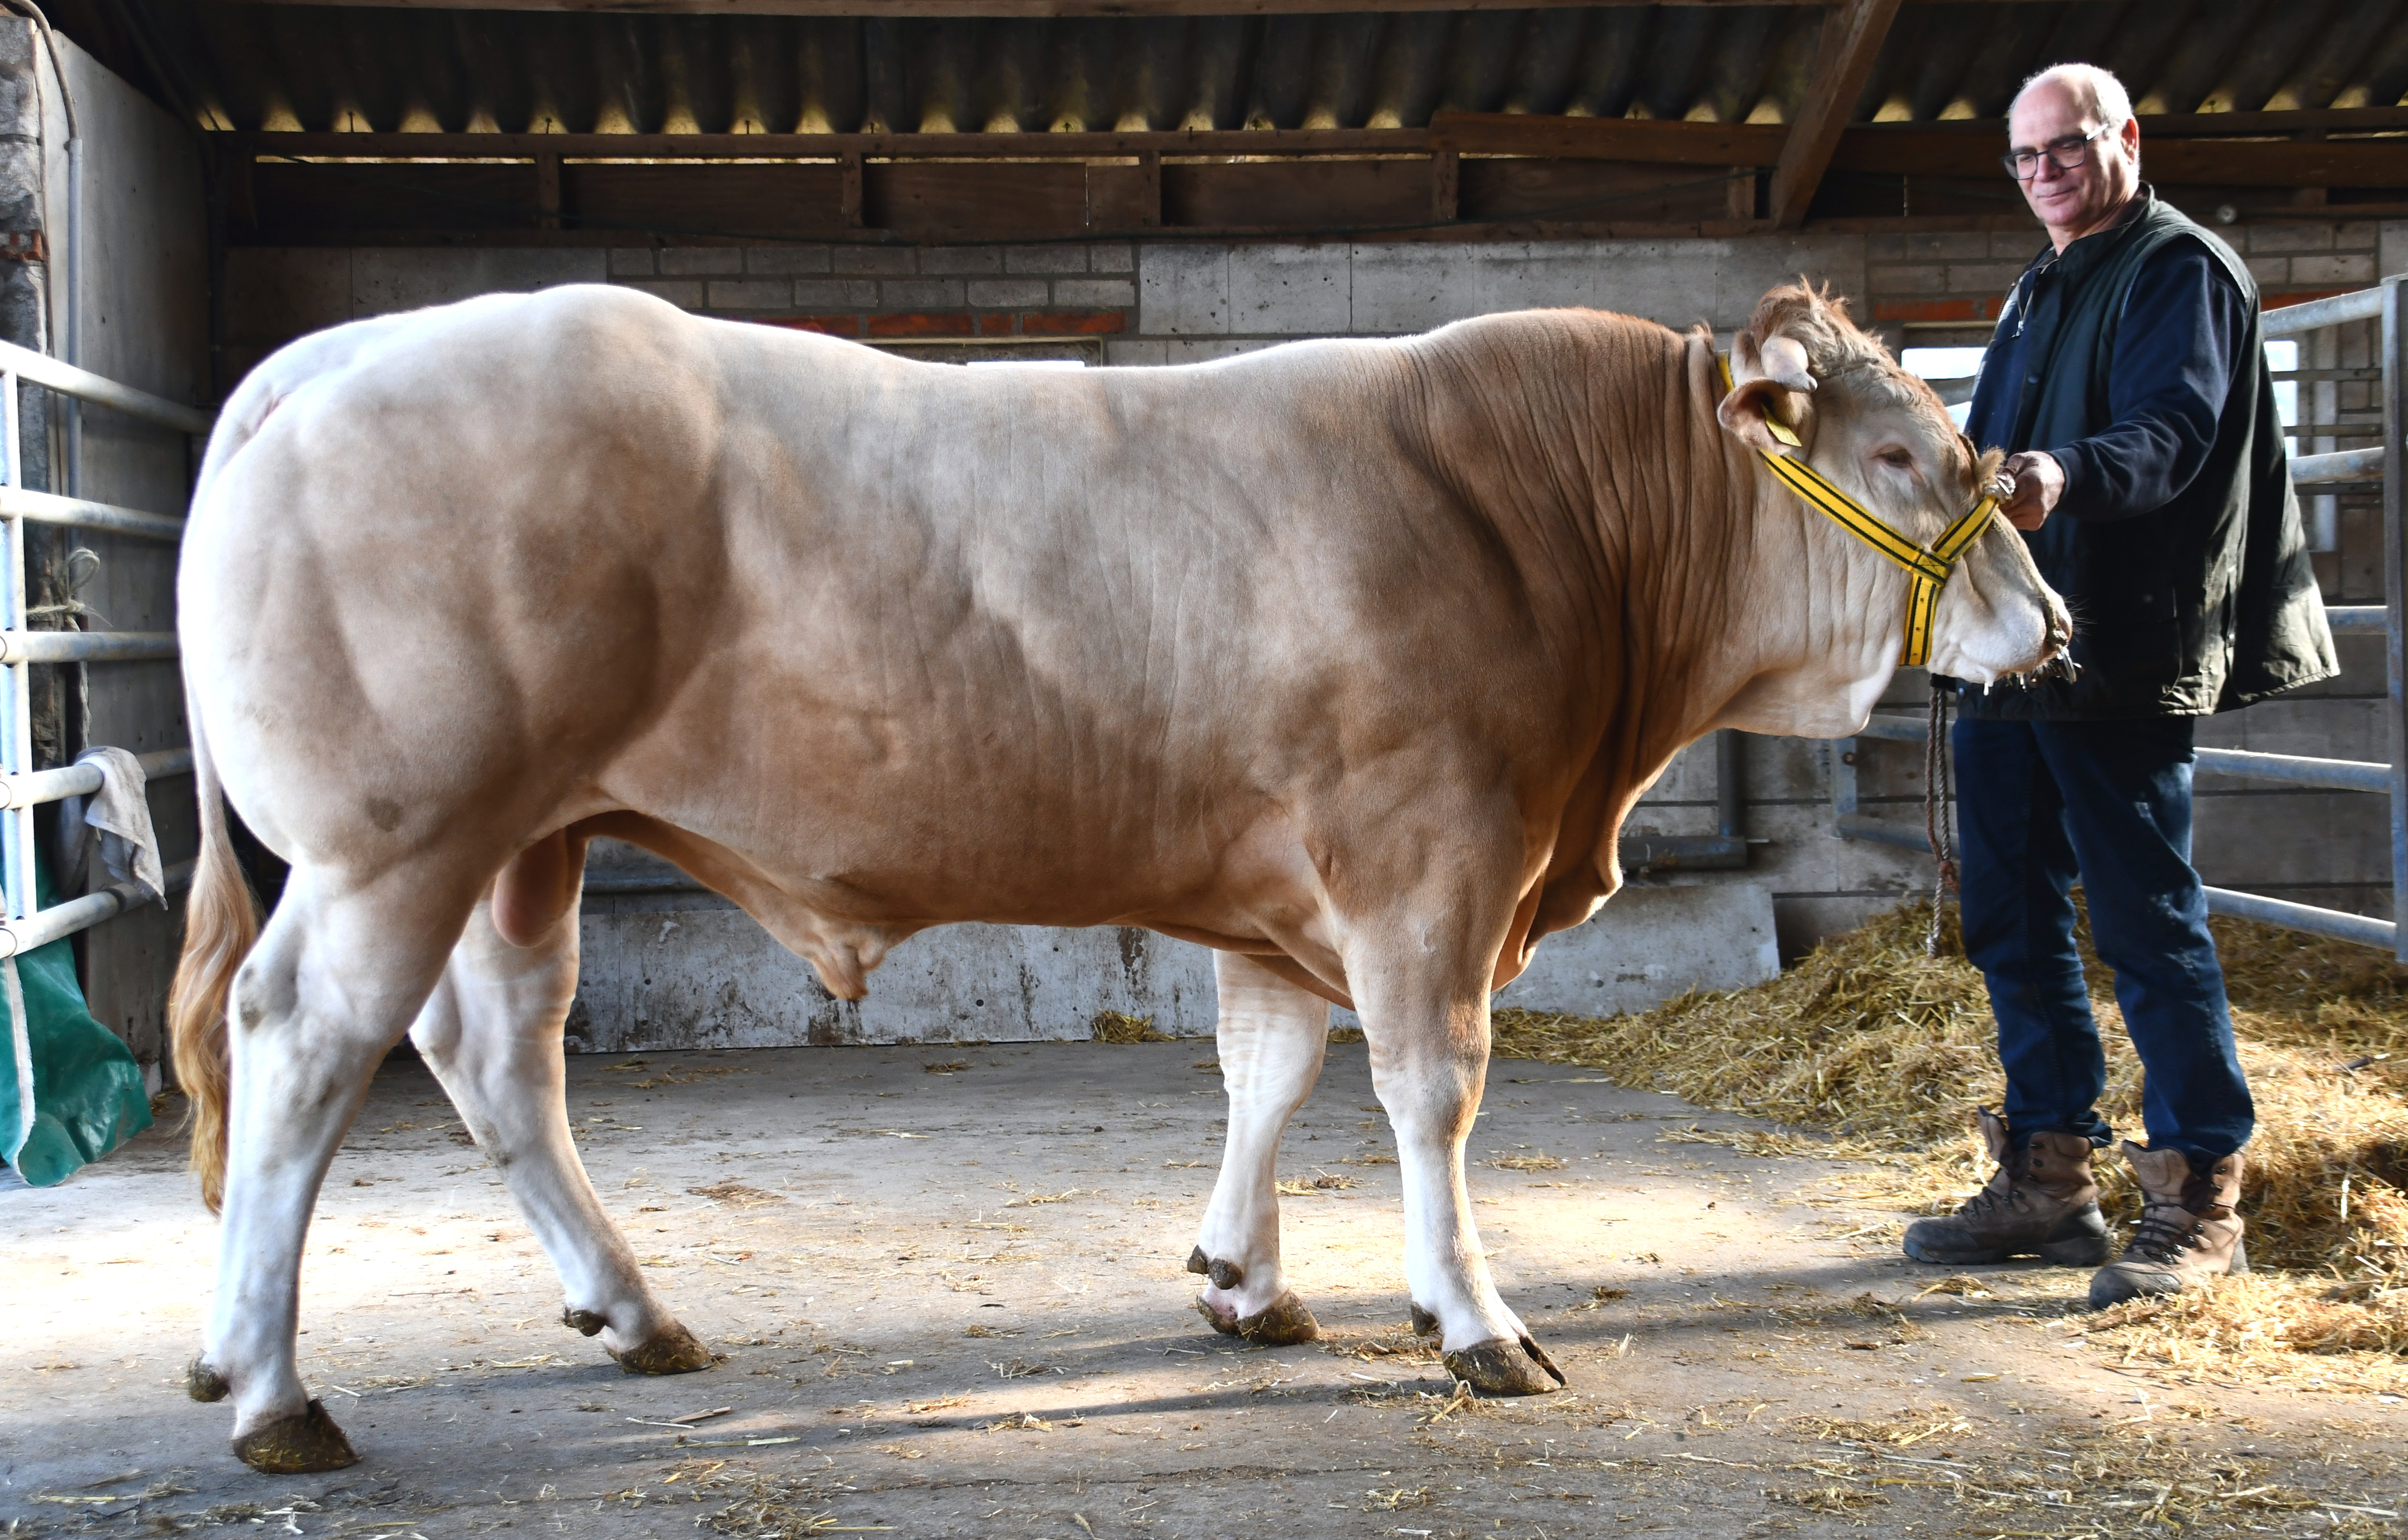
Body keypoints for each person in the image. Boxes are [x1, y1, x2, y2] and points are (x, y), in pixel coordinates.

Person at [1901, 63, 2336, 1307]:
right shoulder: (2040, 285)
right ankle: (2048, 1174)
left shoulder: (2174, 268)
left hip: (2122, 648)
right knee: (2008, 915)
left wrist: (2061, 477)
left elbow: (2175, 429)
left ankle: (2201, 1192)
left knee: (2143, 921)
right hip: (2013, 650)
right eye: (2024, 157)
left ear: (2124, 139)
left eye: (2064, 148)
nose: (2043, 173)